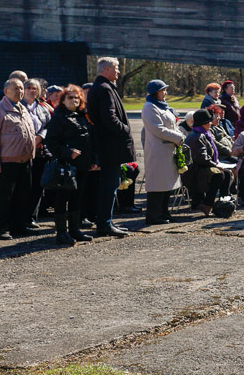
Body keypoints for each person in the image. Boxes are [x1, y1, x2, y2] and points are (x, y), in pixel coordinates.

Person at [86, 57, 135, 238]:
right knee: (109, 186)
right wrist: (126, 129)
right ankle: (104, 224)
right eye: (116, 68)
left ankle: (106, 222)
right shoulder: (104, 89)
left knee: (110, 185)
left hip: (106, 146)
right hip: (109, 146)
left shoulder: (101, 87)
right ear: (106, 69)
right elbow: (109, 118)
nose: (118, 72)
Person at [42, 84, 97, 244]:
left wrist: (93, 159)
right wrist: (68, 152)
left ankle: (75, 229)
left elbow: (91, 140)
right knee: (62, 198)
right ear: (63, 100)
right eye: (70, 97)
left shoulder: (83, 116)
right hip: (66, 166)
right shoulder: (58, 118)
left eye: (77, 97)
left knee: (77, 197)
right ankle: (61, 233)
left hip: (83, 165)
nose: (74, 100)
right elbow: (51, 142)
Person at [0, 78, 37, 239]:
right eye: (16, 89)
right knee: (3, 197)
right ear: (6, 91)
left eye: (21, 89)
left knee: (22, 196)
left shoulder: (23, 108)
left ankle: (18, 226)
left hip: (24, 161)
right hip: (6, 162)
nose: (20, 92)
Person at [140, 79, 183, 226]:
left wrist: (179, 135)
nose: (165, 92)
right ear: (156, 92)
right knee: (157, 184)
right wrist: (178, 137)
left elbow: (172, 124)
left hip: (169, 149)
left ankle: (164, 212)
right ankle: (153, 215)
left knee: (167, 184)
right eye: (163, 90)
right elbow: (158, 129)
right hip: (158, 151)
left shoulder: (163, 107)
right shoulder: (149, 107)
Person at [183, 109, 232, 215]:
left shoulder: (204, 134)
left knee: (227, 173)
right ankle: (207, 204)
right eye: (209, 121)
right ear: (204, 123)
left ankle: (223, 203)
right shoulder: (196, 137)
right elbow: (202, 158)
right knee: (218, 175)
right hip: (194, 172)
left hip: (202, 167)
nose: (211, 123)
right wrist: (217, 166)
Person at [23, 78, 54, 223]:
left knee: (37, 186)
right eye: (28, 87)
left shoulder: (43, 108)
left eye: (35, 88)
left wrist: (40, 137)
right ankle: (20, 217)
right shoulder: (18, 106)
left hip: (40, 151)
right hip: (22, 152)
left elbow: (49, 126)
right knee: (24, 186)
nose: (31, 90)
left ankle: (31, 217)